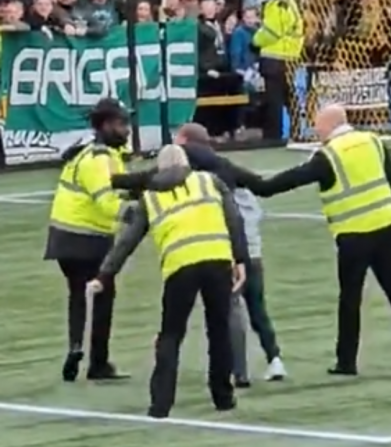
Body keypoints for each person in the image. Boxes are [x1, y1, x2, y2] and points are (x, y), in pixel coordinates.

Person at [111, 123, 288, 386]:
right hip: (250, 244)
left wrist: (113, 180)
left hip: (217, 247)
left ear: (183, 142)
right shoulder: (226, 167)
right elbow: (262, 186)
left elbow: (148, 180)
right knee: (256, 306)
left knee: (227, 312)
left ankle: (236, 372)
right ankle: (274, 358)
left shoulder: (186, 169)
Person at [87, 145, 247, 418]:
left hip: (179, 266)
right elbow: (234, 220)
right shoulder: (209, 181)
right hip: (217, 259)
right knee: (219, 330)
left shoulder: (150, 199)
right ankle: (223, 396)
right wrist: (240, 258)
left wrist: (105, 275)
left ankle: (160, 404)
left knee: (171, 334)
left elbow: (127, 241)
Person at [246, 104, 391, 376]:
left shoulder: (328, 156)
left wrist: (251, 182)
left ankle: (346, 362)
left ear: (330, 124)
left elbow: (285, 182)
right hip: (387, 226)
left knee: (350, 299)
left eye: (318, 123)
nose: (316, 128)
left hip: (353, 235)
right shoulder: (373, 141)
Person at [44, 98, 132, 382]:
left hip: (62, 238)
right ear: (106, 125)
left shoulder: (86, 151)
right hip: (88, 237)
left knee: (78, 295)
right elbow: (106, 200)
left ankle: (75, 346)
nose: (127, 130)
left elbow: (121, 184)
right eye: (121, 124)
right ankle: (99, 363)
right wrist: (136, 216)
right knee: (104, 295)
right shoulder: (99, 159)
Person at [252, 0, 304, 140]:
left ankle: (273, 137)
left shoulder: (277, 4)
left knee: (274, 102)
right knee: (289, 99)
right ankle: (296, 132)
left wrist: (255, 40)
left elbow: (272, 32)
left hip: (275, 59)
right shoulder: (288, 3)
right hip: (288, 59)